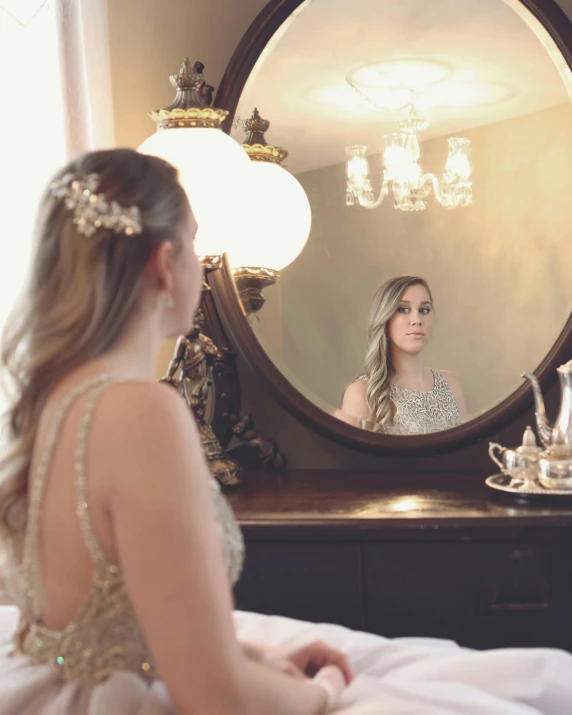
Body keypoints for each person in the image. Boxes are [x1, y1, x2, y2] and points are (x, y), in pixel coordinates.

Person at [0, 149, 571, 715]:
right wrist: (322, 693)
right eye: (197, 244)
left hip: (70, 679)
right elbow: (215, 697)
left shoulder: (55, 402)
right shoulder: (145, 412)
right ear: (161, 263)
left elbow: (110, 630)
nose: (204, 266)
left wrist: (255, 655)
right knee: (522, 687)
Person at [336, 276, 469, 434]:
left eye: (424, 310)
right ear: (385, 318)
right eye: (404, 309)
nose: (417, 320)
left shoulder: (451, 384)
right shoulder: (361, 393)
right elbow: (351, 458)